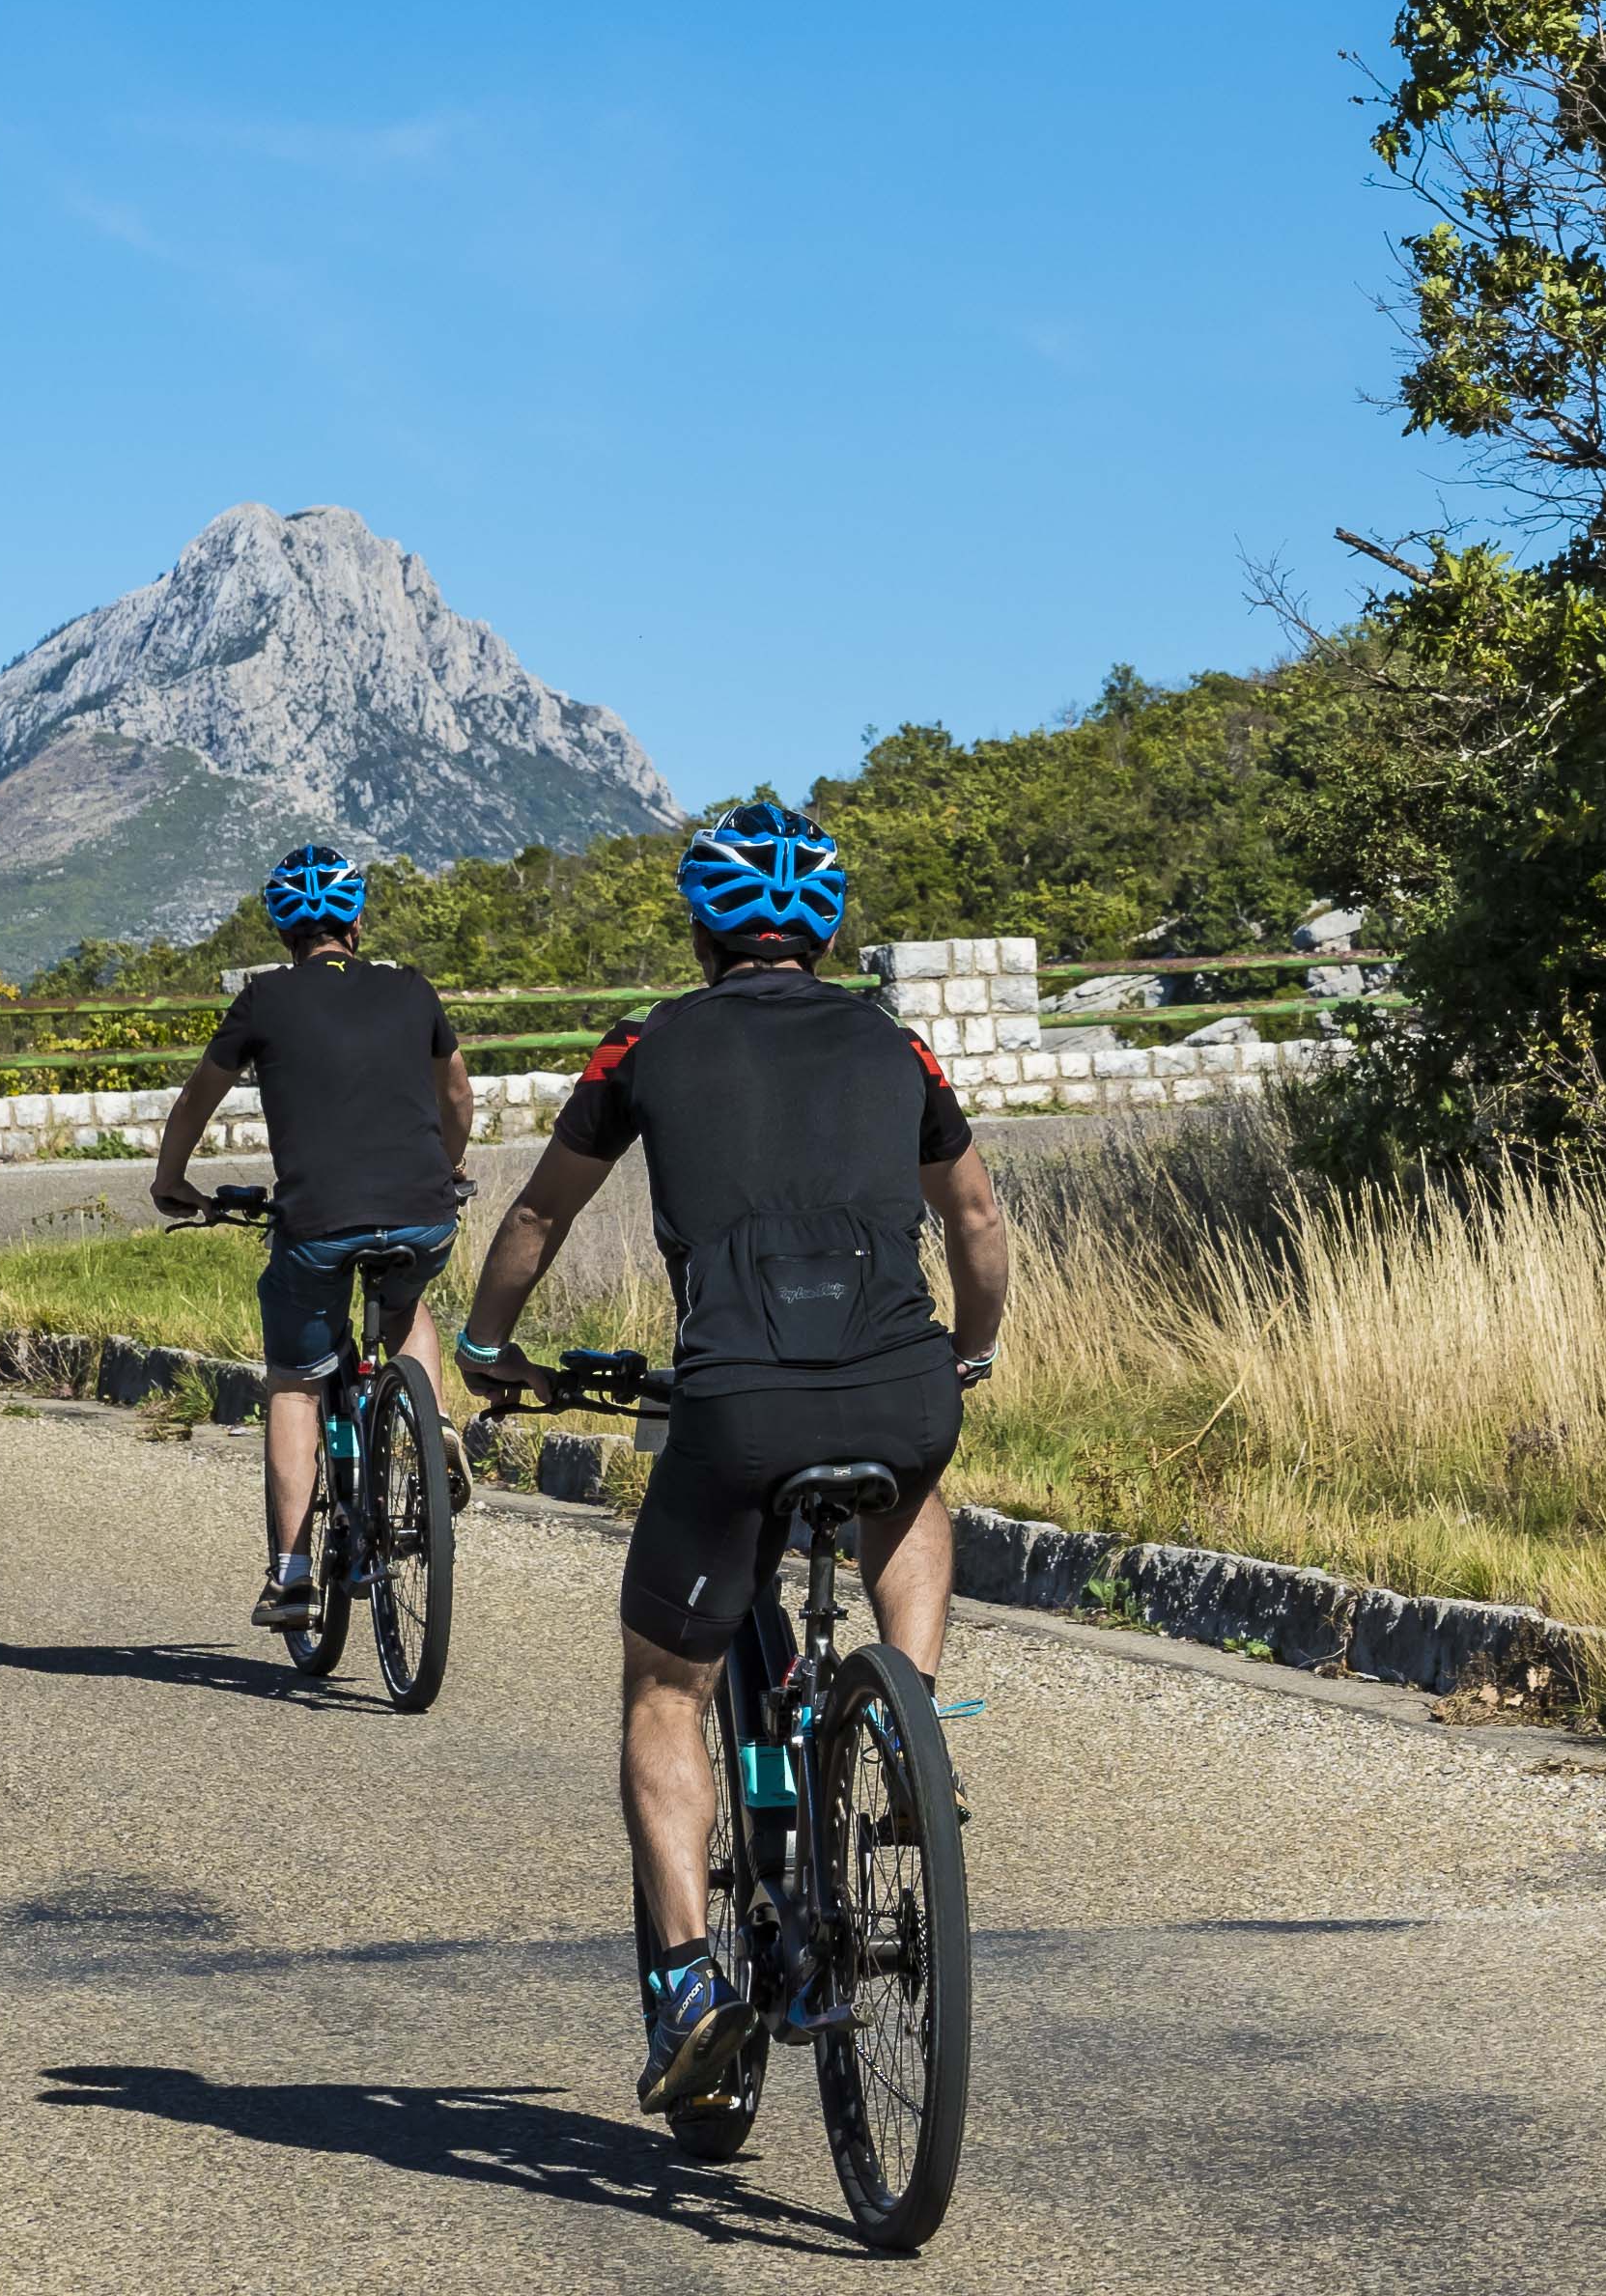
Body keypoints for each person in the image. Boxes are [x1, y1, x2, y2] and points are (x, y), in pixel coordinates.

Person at [451, 800, 1009, 2116]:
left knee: (664, 1689)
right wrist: (968, 1352)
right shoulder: (896, 1042)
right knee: (913, 1482)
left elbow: (537, 1212)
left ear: (704, 931)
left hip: (739, 1406)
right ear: (826, 931)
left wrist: (485, 1344)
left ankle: (690, 1988)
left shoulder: (645, 1043)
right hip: (898, 1390)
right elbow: (978, 1219)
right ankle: (909, 1722)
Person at [148, 847, 480, 1631]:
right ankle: (430, 1427)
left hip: (319, 1224)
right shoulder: (411, 988)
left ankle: (293, 1575)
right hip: (424, 1211)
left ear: (282, 931)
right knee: (404, 1303)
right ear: (356, 922)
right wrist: (447, 1166)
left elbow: (197, 1099)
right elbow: (459, 1095)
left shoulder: (263, 999)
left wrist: (172, 1180)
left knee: (296, 1381)